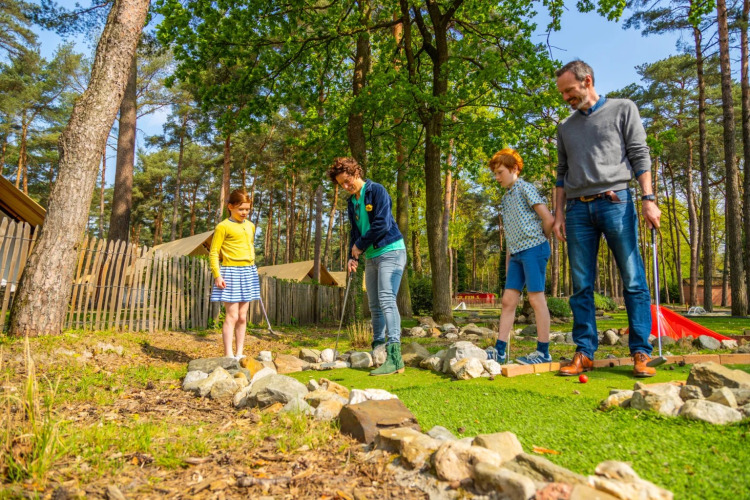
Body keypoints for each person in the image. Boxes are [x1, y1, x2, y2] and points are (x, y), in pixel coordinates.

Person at [553, 60, 662, 378]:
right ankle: (584, 352)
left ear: (587, 81)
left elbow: (640, 154)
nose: (565, 98)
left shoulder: (623, 109)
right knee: (580, 285)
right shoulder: (565, 126)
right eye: (562, 93)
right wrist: (558, 215)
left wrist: (648, 199)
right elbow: (561, 174)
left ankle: (641, 352)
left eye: (569, 90)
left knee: (633, 279)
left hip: (617, 202)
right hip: (576, 211)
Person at [327, 157, 407, 376]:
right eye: (341, 184)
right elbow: (356, 232)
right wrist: (352, 255)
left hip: (391, 250)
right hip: (371, 255)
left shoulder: (377, 191)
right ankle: (378, 350)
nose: (345, 186)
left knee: (386, 299)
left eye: (347, 180)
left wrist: (360, 245)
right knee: (373, 304)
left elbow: (382, 224)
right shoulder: (352, 202)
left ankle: (395, 357)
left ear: (355, 172)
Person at [485, 149, 554, 365]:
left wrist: (539, 240)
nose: (497, 177)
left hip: (534, 249)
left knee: (535, 298)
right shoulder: (506, 198)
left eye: (500, 172)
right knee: (507, 301)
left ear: (514, 169)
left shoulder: (526, 188)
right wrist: (508, 263)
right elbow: (510, 235)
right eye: (495, 173)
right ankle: (500, 351)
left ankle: (543, 353)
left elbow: (548, 219)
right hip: (516, 254)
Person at [209, 189, 260, 361]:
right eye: (241, 209)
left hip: (248, 271)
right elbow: (214, 253)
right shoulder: (223, 226)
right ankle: (228, 355)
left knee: (243, 316)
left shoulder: (250, 226)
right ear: (230, 207)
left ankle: (239, 353)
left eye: (247, 209)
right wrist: (217, 275)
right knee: (232, 315)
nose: (244, 213)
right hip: (230, 272)